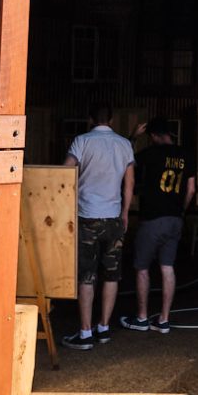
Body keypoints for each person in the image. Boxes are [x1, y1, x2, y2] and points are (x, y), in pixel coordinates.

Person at [61, 103, 135, 350]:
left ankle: (84, 333)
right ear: (111, 120)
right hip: (113, 217)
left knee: (86, 275)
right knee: (112, 274)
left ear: (90, 118)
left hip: (87, 217)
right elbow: (129, 183)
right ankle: (103, 327)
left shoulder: (81, 141)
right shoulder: (125, 144)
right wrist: (125, 212)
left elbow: (64, 173)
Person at [122, 118, 194, 333]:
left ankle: (142, 317)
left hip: (152, 218)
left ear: (153, 136)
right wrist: (181, 210)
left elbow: (126, 162)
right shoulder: (185, 154)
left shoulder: (149, 154)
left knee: (142, 267)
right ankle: (163, 319)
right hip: (175, 218)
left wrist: (133, 136)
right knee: (167, 267)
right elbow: (190, 190)